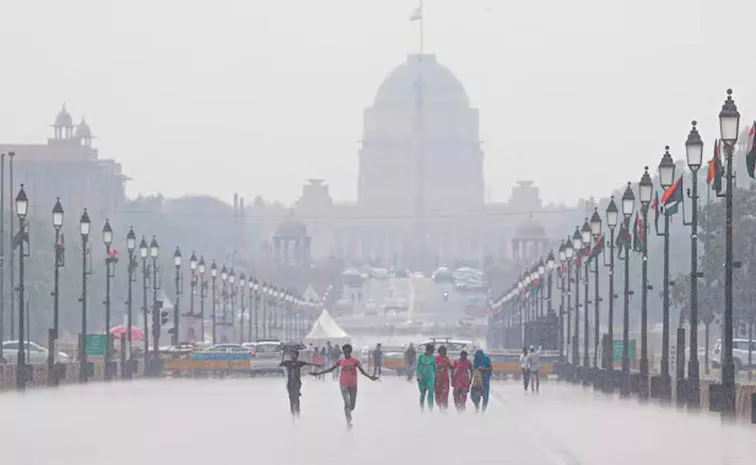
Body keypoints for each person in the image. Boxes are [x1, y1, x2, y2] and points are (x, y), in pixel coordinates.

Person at [311, 343, 378, 427]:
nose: (346, 353)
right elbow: (331, 369)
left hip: (353, 385)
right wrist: (318, 374)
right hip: (343, 384)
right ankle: (348, 421)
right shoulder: (341, 361)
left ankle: (348, 412)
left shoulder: (355, 361)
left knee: (352, 405)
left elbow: (362, 372)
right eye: (344, 352)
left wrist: (370, 377)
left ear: (350, 352)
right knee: (347, 402)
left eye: (347, 352)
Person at [279, 350, 321, 417]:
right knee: (291, 398)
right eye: (291, 355)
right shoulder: (288, 363)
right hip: (289, 383)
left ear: (297, 356)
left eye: (294, 355)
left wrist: (317, 365)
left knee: (296, 398)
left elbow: (308, 363)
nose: (292, 356)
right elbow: (280, 364)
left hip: (297, 382)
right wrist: (283, 356)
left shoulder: (299, 363)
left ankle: (298, 411)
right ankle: (292, 412)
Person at [416, 344, 436, 410]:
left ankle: (430, 408)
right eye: (431, 350)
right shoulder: (421, 356)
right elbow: (417, 367)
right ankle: (422, 408)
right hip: (422, 377)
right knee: (423, 393)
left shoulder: (433, 357)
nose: (431, 352)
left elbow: (434, 367)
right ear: (427, 350)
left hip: (430, 377)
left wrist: (436, 377)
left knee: (430, 392)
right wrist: (418, 375)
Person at [434, 345, 452, 410]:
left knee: (445, 393)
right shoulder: (436, 358)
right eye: (443, 351)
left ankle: (444, 407)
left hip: (445, 378)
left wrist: (451, 366)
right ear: (440, 351)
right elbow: (433, 367)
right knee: (438, 392)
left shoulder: (447, 358)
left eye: (445, 351)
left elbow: (450, 366)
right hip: (438, 378)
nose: (444, 352)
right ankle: (440, 406)